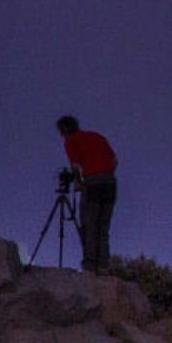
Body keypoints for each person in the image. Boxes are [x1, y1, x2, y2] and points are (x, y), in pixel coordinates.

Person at [57, 115, 118, 274]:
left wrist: (79, 182)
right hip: (110, 183)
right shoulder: (97, 136)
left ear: (63, 130)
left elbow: (76, 166)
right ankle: (103, 265)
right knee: (103, 226)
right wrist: (105, 173)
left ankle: (90, 265)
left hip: (93, 184)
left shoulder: (71, 141)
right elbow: (114, 160)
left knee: (89, 224)